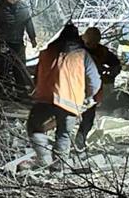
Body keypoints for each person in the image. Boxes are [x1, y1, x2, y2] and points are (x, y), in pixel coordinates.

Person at [26, 23, 101, 171]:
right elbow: (94, 81)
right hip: (70, 101)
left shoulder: (47, 52)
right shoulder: (82, 55)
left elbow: (37, 75)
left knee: (34, 128)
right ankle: (57, 169)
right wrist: (87, 97)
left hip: (45, 98)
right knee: (63, 134)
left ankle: (44, 159)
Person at [76, 27, 122, 152]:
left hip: (90, 89)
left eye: (94, 42)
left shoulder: (102, 51)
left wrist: (110, 74)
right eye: (89, 41)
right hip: (72, 85)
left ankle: (80, 139)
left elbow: (116, 64)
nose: (91, 44)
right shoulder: (74, 48)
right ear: (84, 38)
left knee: (88, 116)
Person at [0, 0, 37, 92]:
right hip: (3, 42)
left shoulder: (23, 8)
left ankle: (21, 90)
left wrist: (32, 38)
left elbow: (28, 23)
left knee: (19, 68)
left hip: (18, 43)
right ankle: (6, 90)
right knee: (3, 68)